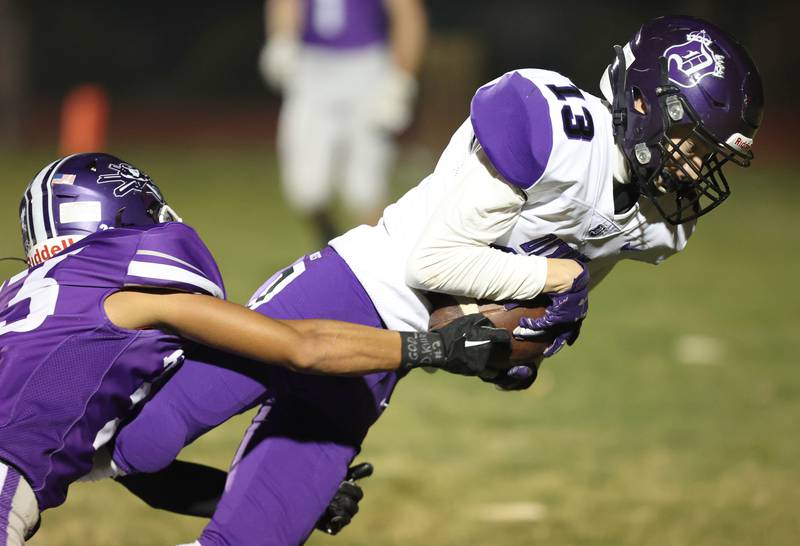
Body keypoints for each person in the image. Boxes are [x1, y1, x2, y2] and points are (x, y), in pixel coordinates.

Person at [112, 15, 764, 545]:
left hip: (383, 357)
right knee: (128, 440)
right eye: (694, 141)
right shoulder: (556, 128)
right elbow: (434, 264)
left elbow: (543, 315)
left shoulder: (656, 225)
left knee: (254, 539)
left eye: (713, 154)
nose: (696, 166)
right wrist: (553, 281)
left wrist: (519, 349)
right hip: (347, 289)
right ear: (646, 102)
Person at [0, 152, 514, 545]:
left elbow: (137, 470)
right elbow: (301, 345)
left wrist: (272, 501)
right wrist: (432, 348)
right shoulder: (130, 294)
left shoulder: (27, 306)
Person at [258, 0, 427, 243]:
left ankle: (377, 261)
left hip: (367, 67)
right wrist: (282, 39)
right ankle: (331, 240)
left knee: (365, 187)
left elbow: (408, 15)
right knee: (306, 188)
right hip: (312, 68)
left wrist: (401, 78)